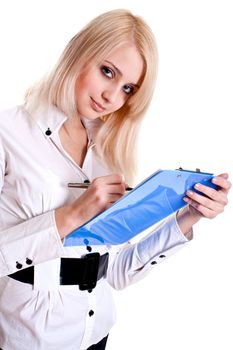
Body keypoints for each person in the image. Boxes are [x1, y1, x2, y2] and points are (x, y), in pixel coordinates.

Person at [0, 9, 231, 350]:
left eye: (127, 88)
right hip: (29, 337)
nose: (112, 97)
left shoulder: (108, 152)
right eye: (107, 72)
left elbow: (116, 272)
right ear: (79, 50)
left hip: (95, 333)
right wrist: (72, 215)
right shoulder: (10, 133)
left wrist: (187, 217)